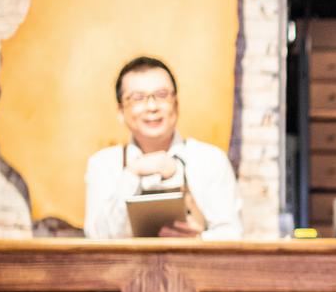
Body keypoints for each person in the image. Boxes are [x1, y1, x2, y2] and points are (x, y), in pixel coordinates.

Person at [84, 57, 243, 239]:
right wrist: (132, 172)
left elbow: (232, 235)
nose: (152, 107)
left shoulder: (210, 160)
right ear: (120, 111)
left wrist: (198, 240)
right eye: (138, 98)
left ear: (176, 104)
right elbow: (97, 237)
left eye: (162, 95)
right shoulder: (103, 164)